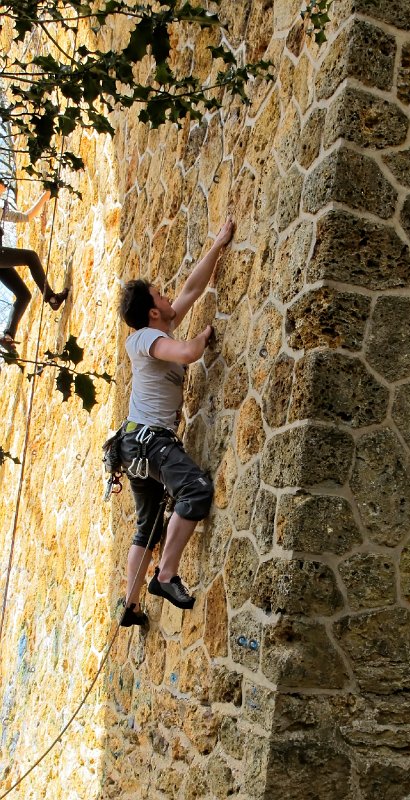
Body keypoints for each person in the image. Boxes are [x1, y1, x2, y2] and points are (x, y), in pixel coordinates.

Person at [118, 217, 234, 627]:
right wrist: (202, 337)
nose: (169, 296)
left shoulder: (157, 329)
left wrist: (217, 244)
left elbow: (191, 290)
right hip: (149, 441)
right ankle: (165, 576)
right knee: (195, 489)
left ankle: (130, 606)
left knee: (147, 528)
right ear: (153, 311)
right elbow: (186, 354)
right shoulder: (147, 338)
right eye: (160, 295)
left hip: (134, 444)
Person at [0, 181, 69, 355]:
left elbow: (26, 216)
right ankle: (51, 298)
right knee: (30, 257)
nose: (4, 187)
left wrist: (46, 196)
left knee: (24, 295)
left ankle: (8, 336)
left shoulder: (2, 210)